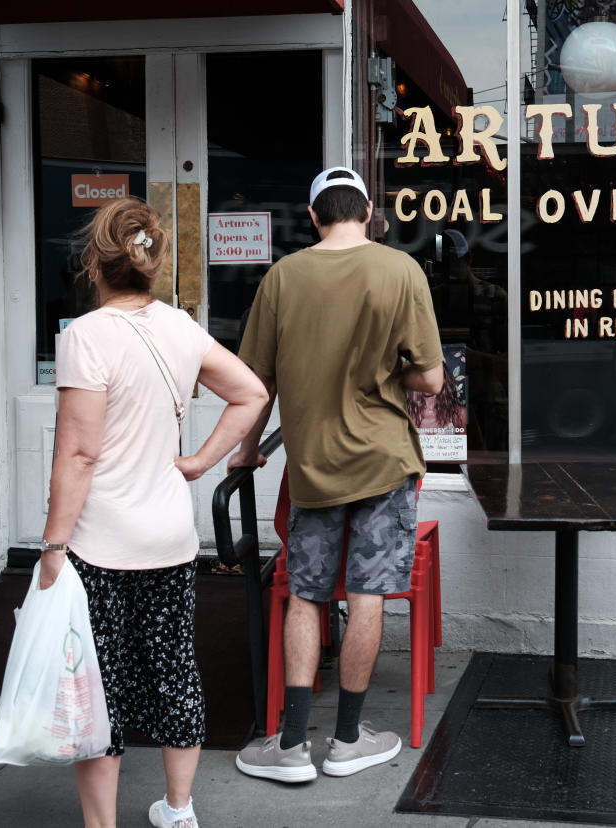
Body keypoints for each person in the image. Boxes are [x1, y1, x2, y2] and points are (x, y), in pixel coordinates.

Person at [39, 196, 268, 828]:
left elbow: (79, 453)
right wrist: (198, 462)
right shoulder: (180, 328)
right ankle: (178, 809)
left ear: (96, 261)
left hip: (98, 544)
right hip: (169, 537)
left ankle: (102, 824)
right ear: (152, 260)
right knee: (173, 669)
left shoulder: (84, 336)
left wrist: (52, 548)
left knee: (99, 686)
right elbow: (250, 393)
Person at [230, 167, 443, 782]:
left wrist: (246, 451)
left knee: (306, 594)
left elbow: (256, 385)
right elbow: (430, 379)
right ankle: (348, 740)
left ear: (315, 215)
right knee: (368, 594)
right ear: (370, 212)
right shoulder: (401, 270)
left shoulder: (281, 277)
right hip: (383, 462)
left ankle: (292, 746)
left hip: (314, 466)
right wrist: (383, 374)